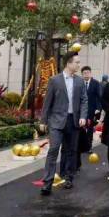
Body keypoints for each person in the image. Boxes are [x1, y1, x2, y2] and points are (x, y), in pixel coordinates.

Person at [39, 52, 88, 195]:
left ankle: (68, 177)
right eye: (77, 62)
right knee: (53, 150)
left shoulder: (80, 81)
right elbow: (47, 102)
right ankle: (47, 183)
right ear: (68, 63)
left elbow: (84, 100)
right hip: (56, 121)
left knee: (71, 151)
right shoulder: (55, 80)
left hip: (73, 121)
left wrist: (83, 116)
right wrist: (43, 120)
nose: (79, 65)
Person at [76, 66, 103, 170]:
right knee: (82, 128)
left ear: (90, 73)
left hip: (92, 110)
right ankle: (82, 145)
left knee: (90, 128)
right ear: (82, 74)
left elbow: (99, 97)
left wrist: (98, 108)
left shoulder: (96, 83)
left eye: (87, 73)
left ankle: (89, 146)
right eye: (84, 73)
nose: (86, 74)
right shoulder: (79, 83)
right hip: (81, 110)